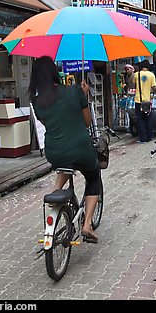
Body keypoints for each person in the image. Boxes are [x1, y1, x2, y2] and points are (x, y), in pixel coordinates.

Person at [29, 56, 101, 243]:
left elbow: (49, 123)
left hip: (54, 151)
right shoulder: (74, 91)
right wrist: (83, 97)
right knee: (93, 177)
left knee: (65, 163)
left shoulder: (37, 102)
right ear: (54, 72)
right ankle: (87, 224)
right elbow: (87, 123)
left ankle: (56, 191)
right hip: (80, 147)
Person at [134, 59, 156, 143]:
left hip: (138, 101)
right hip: (147, 101)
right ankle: (150, 137)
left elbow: (133, 85)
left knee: (140, 120)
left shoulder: (136, 74)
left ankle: (142, 139)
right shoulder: (151, 75)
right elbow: (154, 87)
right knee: (148, 119)